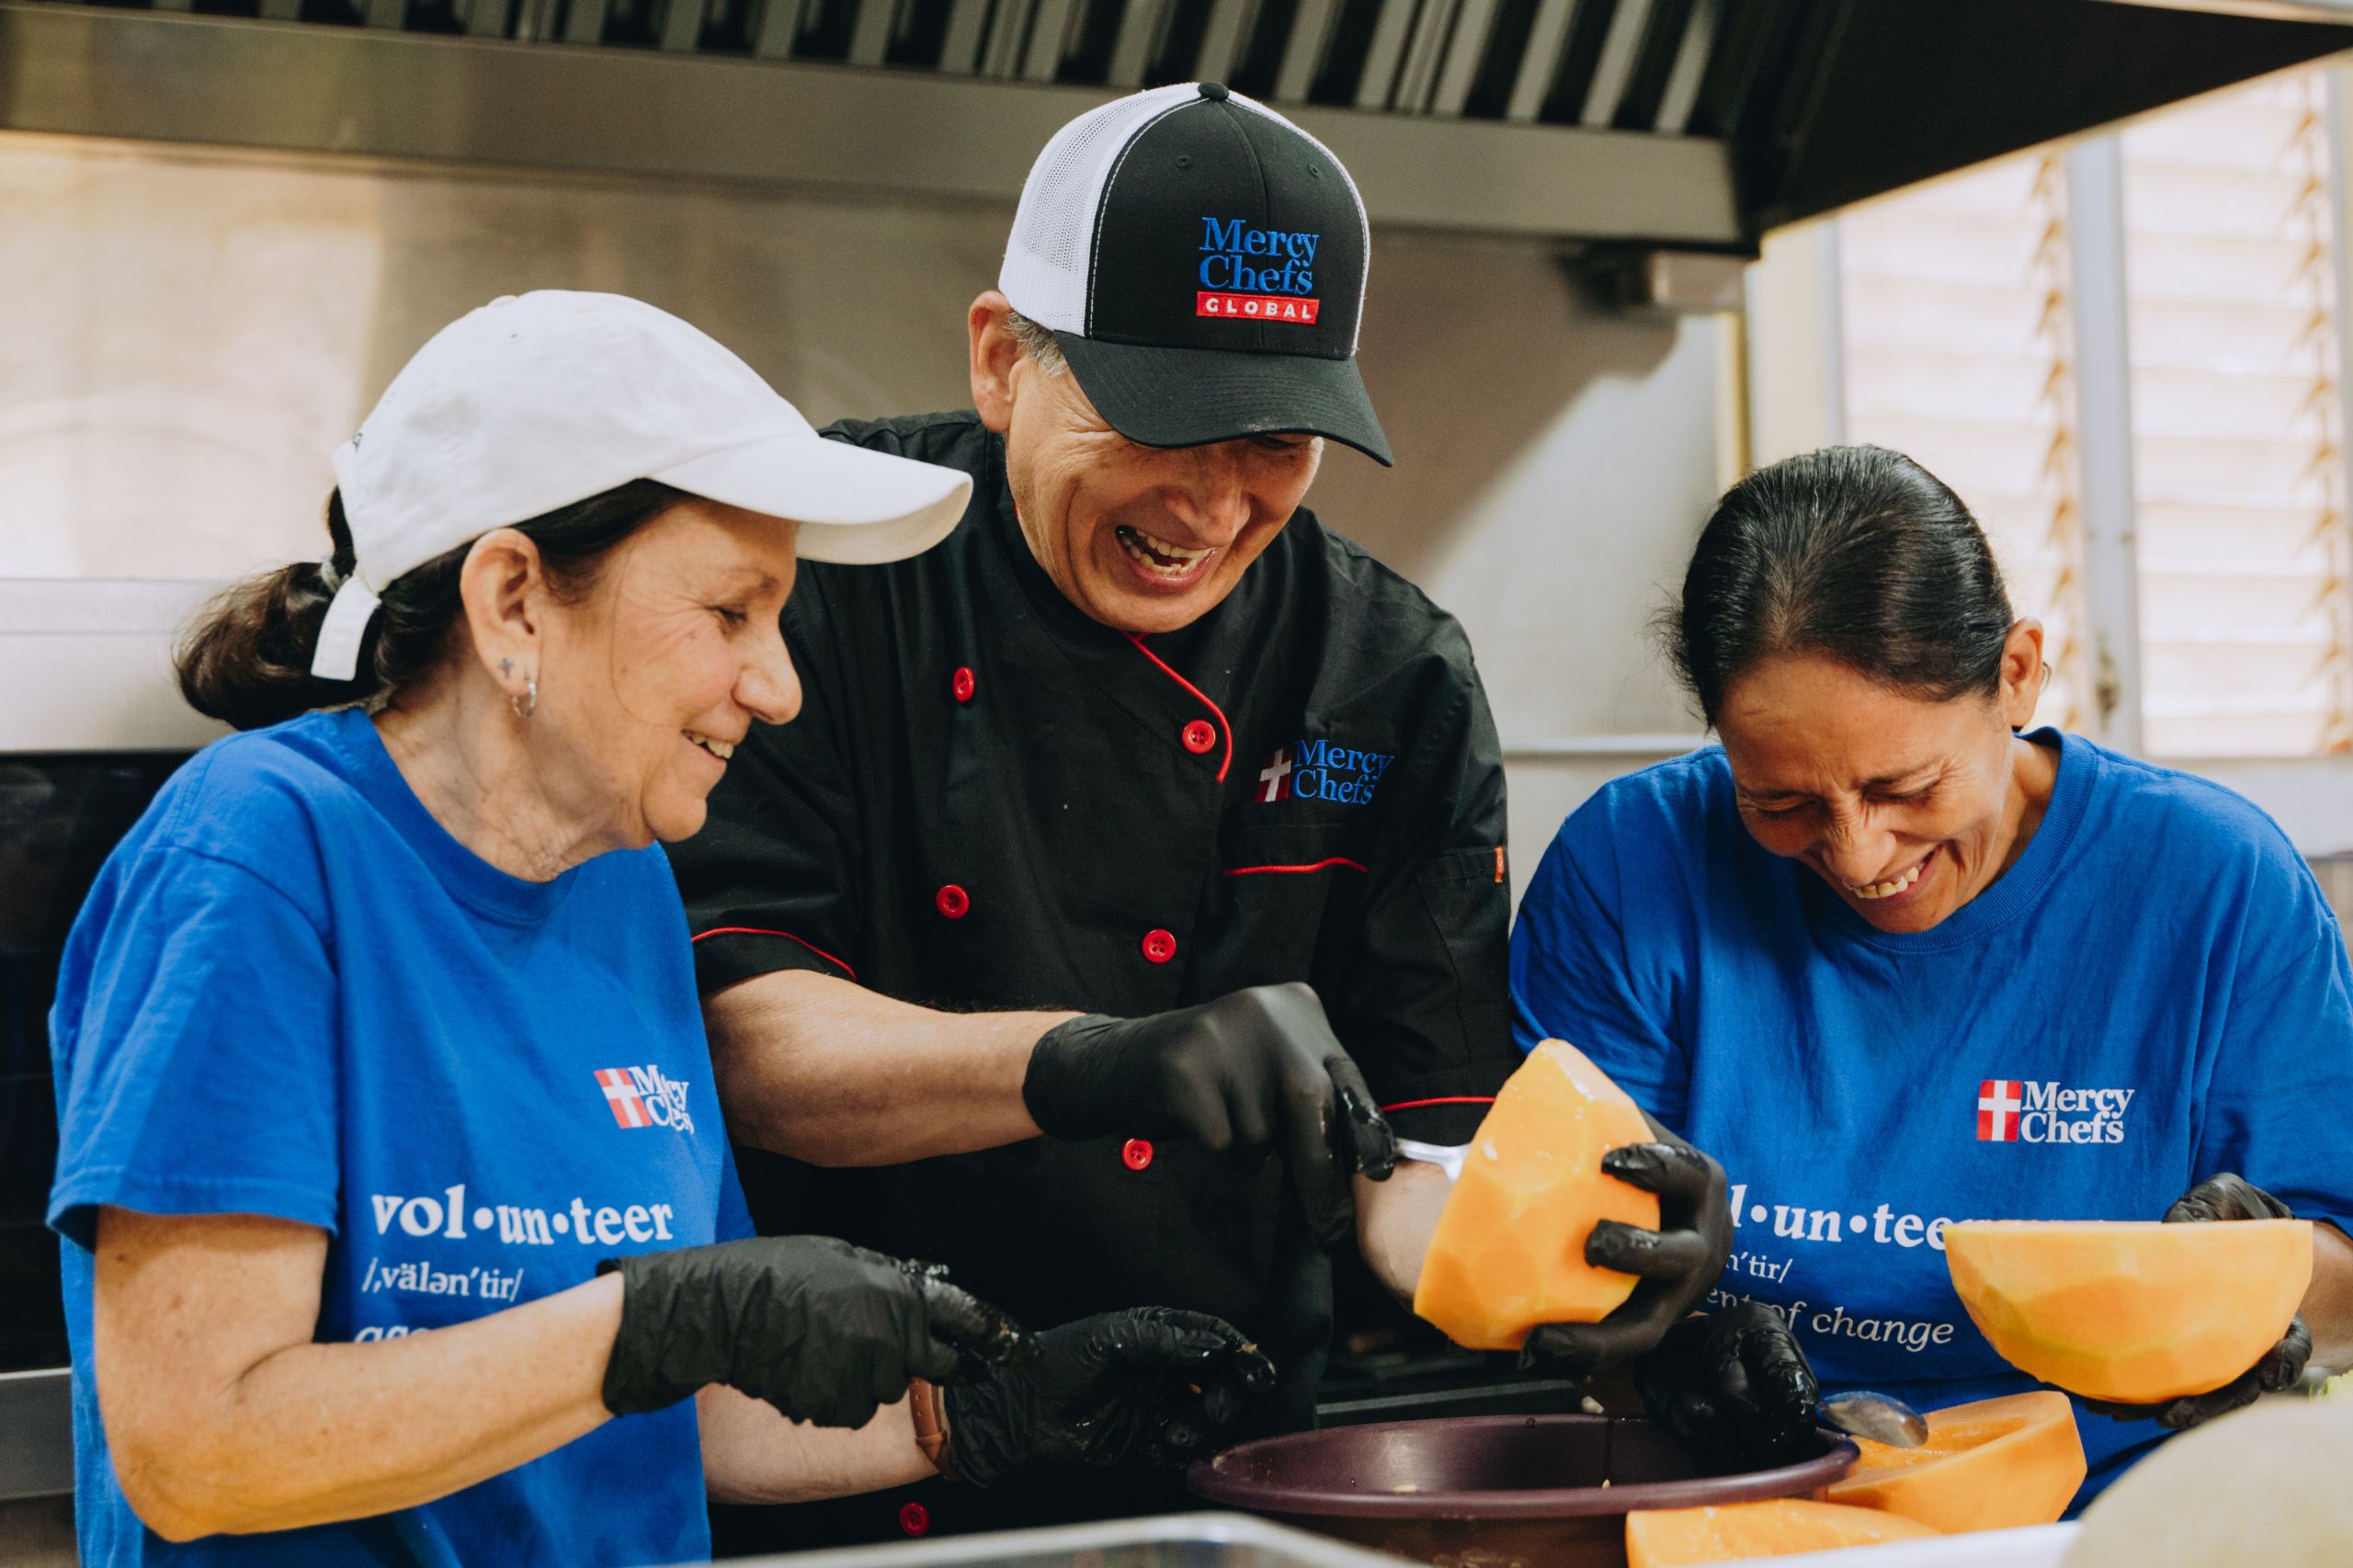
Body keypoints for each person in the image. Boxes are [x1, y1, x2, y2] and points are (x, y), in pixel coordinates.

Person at [46, 290, 1274, 1568]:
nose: (780, 684)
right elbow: (196, 1447)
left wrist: (974, 1416)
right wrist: (653, 1320)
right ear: (516, 599)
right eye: (732, 613)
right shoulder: (259, 858)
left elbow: (665, 1414)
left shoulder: (622, 881)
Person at [668, 82, 1739, 1543]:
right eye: (1166, 416)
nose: (1217, 502)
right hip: (838, 1457)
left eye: (1281, 440)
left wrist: (1597, 1268)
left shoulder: (1386, 673)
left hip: (1218, 1476)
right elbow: (743, 1036)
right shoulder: (827, 575)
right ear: (1001, 360)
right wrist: (1096, 1063)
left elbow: (1413, 1159)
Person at [1510, 444, 2353, 1504]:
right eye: (1782, 802)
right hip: (1748, 1510)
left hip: (2112, 1519)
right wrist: (1655, 1355)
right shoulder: (1630, 869)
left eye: (1903, 783)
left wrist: (2264, 1296)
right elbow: (1555, 1252)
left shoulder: (2213, 883)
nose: (1859, 855)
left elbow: (2344, 1288)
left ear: (2015, 672)